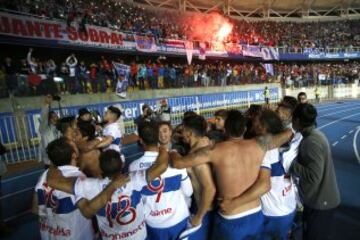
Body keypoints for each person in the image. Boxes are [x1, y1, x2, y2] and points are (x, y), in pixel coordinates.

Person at [171, 109, 293, 240]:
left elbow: (178, 163)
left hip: (231, 218)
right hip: (256, 215)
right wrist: (289, 130)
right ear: (245, 129)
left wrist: (172, 151)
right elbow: (287, 134)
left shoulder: (215, 150)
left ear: (226, 128)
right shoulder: (259, 144)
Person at [47, 147, 170, 240]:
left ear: (100, 167)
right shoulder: (134, 179)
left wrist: (54, 163)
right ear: (122, 165)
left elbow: (52, 181)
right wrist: (163, 149)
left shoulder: (89, 185)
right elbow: (162, 166)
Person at [221, 110, 297, 240]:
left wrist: (233, 203)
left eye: (255, 123)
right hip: (289, 207)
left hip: (272, 214)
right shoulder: (290, 143)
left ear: (263, 127)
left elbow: (264, 185)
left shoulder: (264, 151)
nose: (251, 126)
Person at [32, 137, 128, 240]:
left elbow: (35, 208)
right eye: (74, 144)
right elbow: (89, 210)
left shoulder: (44, 175)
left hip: (48, 234)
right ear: (74, 155)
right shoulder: (78, 177)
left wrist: (52, 216)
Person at [128, 121, 193, 240]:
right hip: (179, 219)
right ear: (157, 137)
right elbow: (188, 192)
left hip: (153, 223)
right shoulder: (175, 159)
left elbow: (137, 200)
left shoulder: (133, 167)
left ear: (141, 140)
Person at [290, 103, 340, 240]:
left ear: (298, 121)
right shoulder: (315, 135)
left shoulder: (311, 141)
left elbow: (313, 176)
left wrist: (291, 165)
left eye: (292, 118)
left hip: (320, 203)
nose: (291, 121)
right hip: (321, 201)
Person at [179, 115, 216, 240]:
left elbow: (210, 188)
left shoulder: (198, 157)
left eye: (183, 130)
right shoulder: (204, 144)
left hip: (205, 211)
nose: (181, 133)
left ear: (189, 133)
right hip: (202, 207)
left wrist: (199, 217)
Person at [38, 95, 60, 167]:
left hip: (59, 158)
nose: (55, 118)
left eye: (56, 116)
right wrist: (47, 104)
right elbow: (44, 117)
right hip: (49, 161)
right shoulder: (44, 129)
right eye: (53, 117)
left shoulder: (58, 128)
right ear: (48, 120)